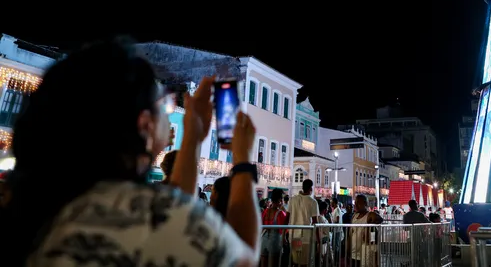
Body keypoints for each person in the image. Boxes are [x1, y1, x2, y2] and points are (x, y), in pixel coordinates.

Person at [0, 38, 260, 266]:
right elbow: (245, 257)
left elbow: (172, 209)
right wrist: (243, 161)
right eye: (166, 105)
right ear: (145, 125)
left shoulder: (38, 203)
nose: (170, 113)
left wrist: (192, 137)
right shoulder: (147, 215)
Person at [287, 179, 319, 266]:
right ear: (310, 188)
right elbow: (315, 222)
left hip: (294, 236)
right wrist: (318, 241)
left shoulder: (292, 200)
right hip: (306, 238)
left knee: (295, 262)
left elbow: (287, 218)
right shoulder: (313, 202)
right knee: (305, 263)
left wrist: (284, 235)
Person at [349, 195, 383, 267]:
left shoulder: (369, 215)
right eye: (355, 203)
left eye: (358, 203)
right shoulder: (354, 216)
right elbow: (350, 234)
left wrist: (369, 227)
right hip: (353, 253)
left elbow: (380, 219)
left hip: (363, 253)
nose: (355, 205)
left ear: (365, 203)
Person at [260, 188, 287, 267]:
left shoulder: (266, 211)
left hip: (264, 240)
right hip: (275, 242)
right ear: (280, 199)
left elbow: (262, 224)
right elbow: (284, 227)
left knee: (263, 264)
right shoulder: (281, 213)